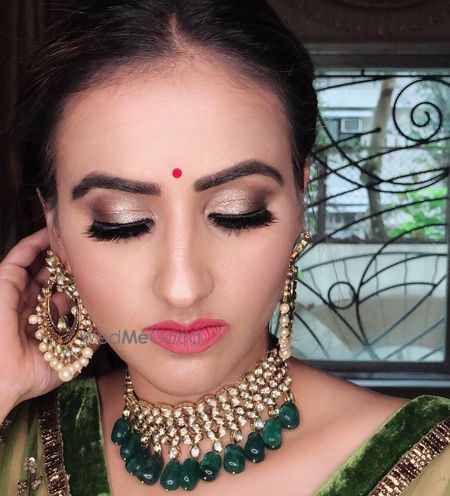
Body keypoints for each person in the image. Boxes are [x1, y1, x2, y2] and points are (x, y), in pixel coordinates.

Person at [1, 0, 450, 494]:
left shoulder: (432, 464)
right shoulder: (19, 436)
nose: (183, 287)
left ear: (301, 199)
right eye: (121, 223)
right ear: (54, 227)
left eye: (238, 212)